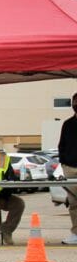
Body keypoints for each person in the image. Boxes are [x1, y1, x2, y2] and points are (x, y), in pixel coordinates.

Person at [56, 92, 77, 245]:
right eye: (75, 102)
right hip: (70, 168)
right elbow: (61, 145)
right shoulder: (68, 124)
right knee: (74, 203)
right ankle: (76, 233)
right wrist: (63, 162)